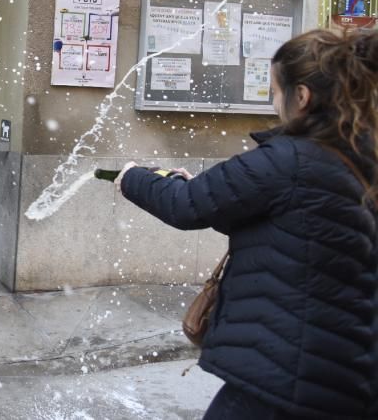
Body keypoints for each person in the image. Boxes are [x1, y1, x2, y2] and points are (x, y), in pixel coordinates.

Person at [116, 28, 378, 419]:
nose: (273, 103)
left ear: (301, 97)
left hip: (287, 371)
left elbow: (186, 205)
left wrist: (132, 177)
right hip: (342, 366)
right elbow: (302, 230)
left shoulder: (288, 159)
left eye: (275, 91)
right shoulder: (356, 154)